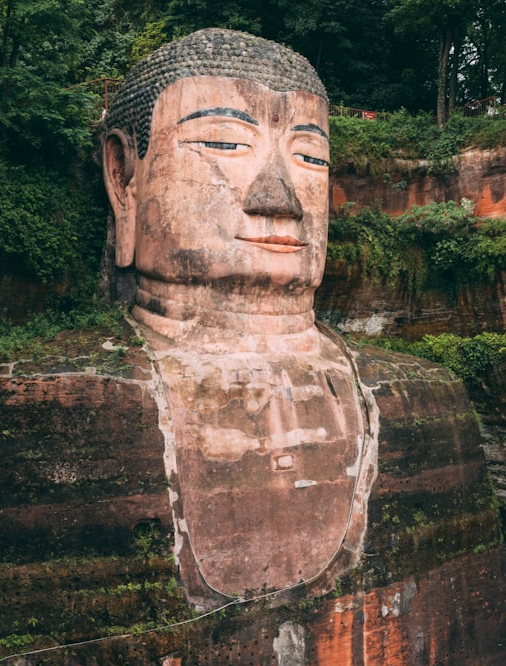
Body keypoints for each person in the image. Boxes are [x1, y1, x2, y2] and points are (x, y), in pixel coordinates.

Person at [101, 28, 375, 603]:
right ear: (124, 176)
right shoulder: (65, 406)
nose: (278, 197)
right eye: (224, 143)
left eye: (309, 157)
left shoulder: (415, 394)